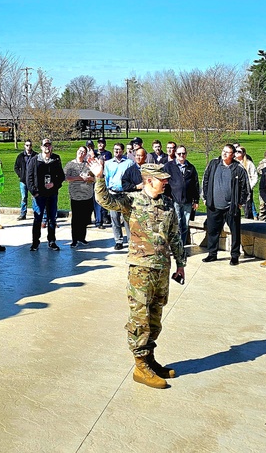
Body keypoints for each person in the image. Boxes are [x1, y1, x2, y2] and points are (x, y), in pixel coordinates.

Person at [88, 158, 186, 389]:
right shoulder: (132, 201)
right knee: (140, 318)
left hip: (162, 268)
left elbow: (174, 235)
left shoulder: (167, 204)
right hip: (141, 270)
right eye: (162, 180)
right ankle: (140, 365)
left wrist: (180, 263)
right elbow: (105, 200)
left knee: (155, 317)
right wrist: (99, 177)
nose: (166, 183)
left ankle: (149, 359)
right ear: (150, 180)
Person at [201, 144, 249, 265]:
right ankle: (212, 254)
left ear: (232, 155)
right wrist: (206, 197)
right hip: (214, 205)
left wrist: (240, 203)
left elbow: (245, 187)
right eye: (223, 151)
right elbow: (205, 180)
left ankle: (234, 256)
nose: (224, 154)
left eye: (227, 152)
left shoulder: (238, 168)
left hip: (231, 207)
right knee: (212, 231)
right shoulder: (213, 164)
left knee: (235, 232)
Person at [26, 138, 65, 251]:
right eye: (45, 145)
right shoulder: (34, 160)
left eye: (49, 145)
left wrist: (54, 184)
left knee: (52, 218)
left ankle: (52, 241)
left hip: (52, 194)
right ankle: (35, 242)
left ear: (51, 147)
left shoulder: (56, 159)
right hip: (39, 195)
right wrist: (34, 192)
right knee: (37, 218)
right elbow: (29, 178)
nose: (47, 147)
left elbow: (61, 176)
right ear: (41, 147)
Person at [104, 143, 135, 250]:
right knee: (114, 218)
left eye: (119, 150)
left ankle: (131, 240)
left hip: (125, 193)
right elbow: (106, 178)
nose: (117, 152)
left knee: (127, 218)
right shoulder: (108, 163)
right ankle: (118, 240)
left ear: (122, 151)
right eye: (115, 150)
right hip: (113, 193)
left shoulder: (129, 163)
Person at [166, 145, 199, 246]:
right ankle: (174, 247)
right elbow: (164, 182)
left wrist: (196, 200)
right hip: (174, 200)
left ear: (186, 154)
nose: (181, 155)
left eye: (183, 153)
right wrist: (167, 196)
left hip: (187, 201)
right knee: (177, 225)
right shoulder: (168, 166)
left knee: (185, 225)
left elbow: (195, 184)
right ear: (175, 154)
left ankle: (182, 247)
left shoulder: (191, 168)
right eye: (179, 153)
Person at [64, 146, 95, 247]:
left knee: (84, 218)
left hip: (87, 195)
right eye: (80, 151)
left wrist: (89, 178)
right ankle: (74, 239)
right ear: (77, 151)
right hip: (75, 195)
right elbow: (65, 177)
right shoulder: (70, 164)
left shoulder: (88, 165)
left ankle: (82, 237)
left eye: (84, 152)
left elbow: (95, 178)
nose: (81, 153)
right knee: (76, 218)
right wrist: (80, 178)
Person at [93, 138, 113, 228]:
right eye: (99, 143)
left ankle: (104, 216)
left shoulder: (107, 154)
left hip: (104, 178)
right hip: (94, 178)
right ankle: (98, 221)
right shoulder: (94, 152)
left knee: (104, 197)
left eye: (102, 143)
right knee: (96, 199)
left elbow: (106, 164)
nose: (100, 145)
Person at [14, 140, 36, 221]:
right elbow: (16, 167)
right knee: (24, 197)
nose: (28, 147)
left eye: (30, 145)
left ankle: (36, 213)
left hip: (33, 181)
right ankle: (23, 214)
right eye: (27, 145)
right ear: (24, 146)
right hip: (23, 181)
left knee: (34, 197)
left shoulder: (35, 155)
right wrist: (21, 175)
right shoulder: (20, 156)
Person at [235, 146, 259, 219]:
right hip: (235, 189)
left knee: (247, 209)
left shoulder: (249, 163)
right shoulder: (233, 163)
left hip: (246, 190)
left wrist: (249, 187)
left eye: (239, 152)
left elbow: (255, 177)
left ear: (243, 153)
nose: (237, 153)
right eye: (236, 151)